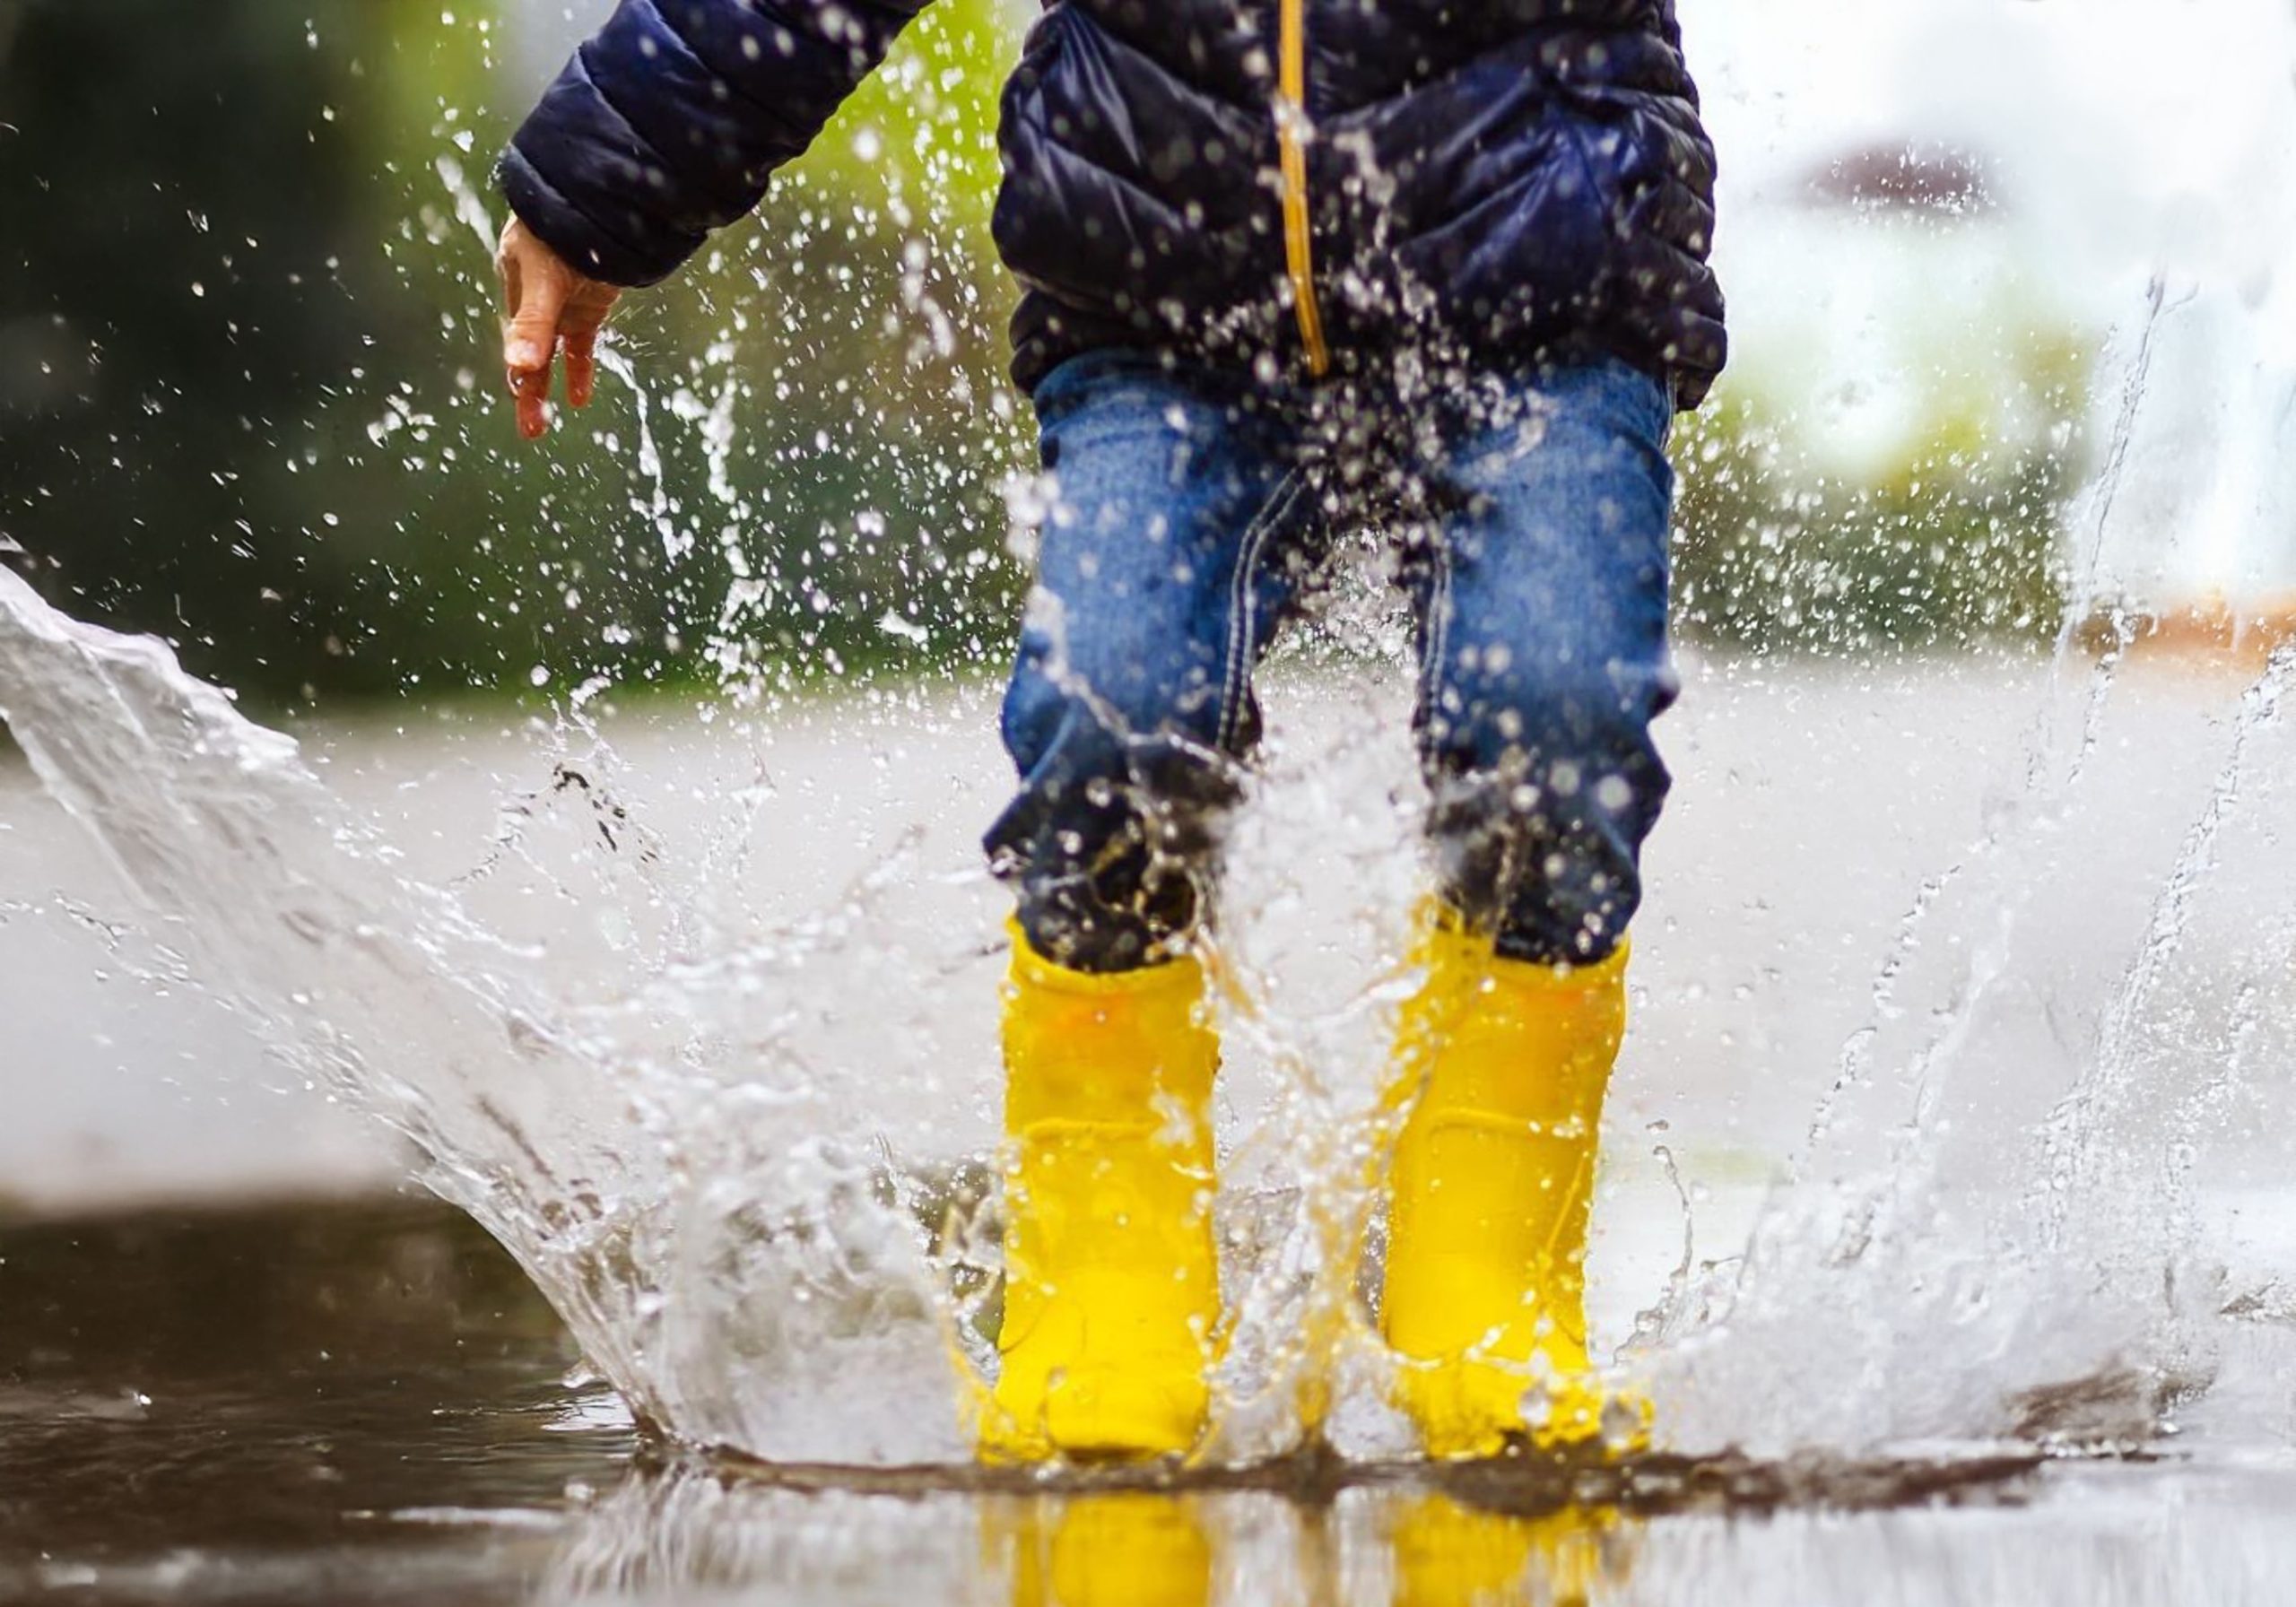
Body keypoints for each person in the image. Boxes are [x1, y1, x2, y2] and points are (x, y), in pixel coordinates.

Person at [495, 0, 1725, 1464]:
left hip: (1547, 279)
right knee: (1114, 730)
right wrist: (603, 176)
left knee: (1556, 722)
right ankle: (1105, 1284)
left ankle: (1493, 1282)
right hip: (1164, 311)